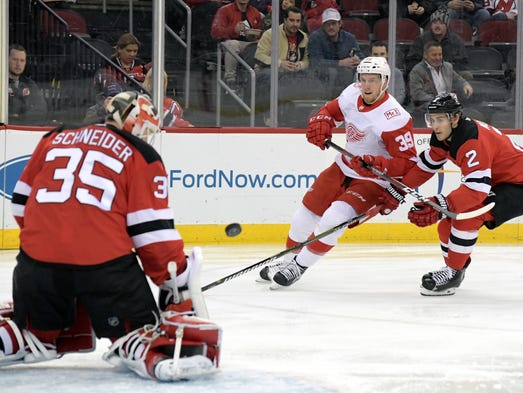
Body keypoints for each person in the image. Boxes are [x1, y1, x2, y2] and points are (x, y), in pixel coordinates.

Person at [0, 92, 221, 380]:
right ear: (140, 127)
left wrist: (54, 240)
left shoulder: (54, 137)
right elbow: (153, 236)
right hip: (104, 270)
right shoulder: (142, 155)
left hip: (35, 269)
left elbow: (21, 205)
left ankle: (28, 333)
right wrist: (177, 280)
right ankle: (152, 352)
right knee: (138, 332)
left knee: (31, 334)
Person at [257, 57, 417, 288]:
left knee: (333, 219)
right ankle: (288, 260)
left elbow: (407, 163)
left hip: (371, 181)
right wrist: (322, 122)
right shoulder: (352, 93)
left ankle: (299, 266)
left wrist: (377, 162)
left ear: (385, 82)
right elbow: (330, 111)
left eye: (373, 80)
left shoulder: (396, 118)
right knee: (304, 215)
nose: (367, 85)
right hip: (342, 167)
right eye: (363, 79)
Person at [376, 93, 523, 295]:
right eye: (432, 120)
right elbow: (426, 165)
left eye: (441, 120)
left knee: (468, 217)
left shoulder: (471, 139)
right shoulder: (444, 135)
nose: (435, 126)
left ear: (455, 118)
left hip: (519, 185)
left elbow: (477, 189)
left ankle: (453, 273)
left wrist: (442, 203)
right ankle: (455, 267)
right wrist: (399, 189)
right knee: (447, 223)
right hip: (501, 181)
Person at [409, 41, 473, 125]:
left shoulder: (448, 67)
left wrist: (465, 84)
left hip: (448, 107)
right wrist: (438, 100)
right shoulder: (417, 71)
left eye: (440, 54)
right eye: (434, 55)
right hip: (426, 108)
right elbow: (417, 94)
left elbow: (458, 79)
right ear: (425, 55)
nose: (438, 58)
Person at [308, 8, 365, 97]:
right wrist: (340, 63)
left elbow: (361, 56)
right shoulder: (315, 38)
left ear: (340, 23)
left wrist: (357, 59)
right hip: (321, 77)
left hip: (344, 77)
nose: (331, 27)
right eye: (328, 24)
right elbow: (315, 62)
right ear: (323, 26)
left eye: (333, 23)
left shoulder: (349, 38)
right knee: (333, 72)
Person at [211, 0, 264, 90]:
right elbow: (215, 33)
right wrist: (233, 30)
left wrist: (254, 35)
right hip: (229, 42)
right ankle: (230, 80)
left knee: (261, 45)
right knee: (233, 44)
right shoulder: (224, 10)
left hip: (249, 43)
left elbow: (260, 33)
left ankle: (258, 78)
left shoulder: (255, 12)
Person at [405, 7, 469, 75]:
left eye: (441, 23)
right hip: (426, 74)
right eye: (434, 22)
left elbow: (463, 63)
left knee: (467, 75)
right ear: (431, 25)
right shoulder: (421, 40)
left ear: (446, 25)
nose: (437, 26)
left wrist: (448, 71)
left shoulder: (456, 41)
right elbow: (411, 62)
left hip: (450, 75)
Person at [8, 44, 48, 125]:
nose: (18, 64)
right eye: (15, 59)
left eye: (22, 60)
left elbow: (42, 110)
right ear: (6, 60)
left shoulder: (30, 84)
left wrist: (21, 118)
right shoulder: (2, 83)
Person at [369, 40, 406, 105]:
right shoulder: (361, 73)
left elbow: (400, 96)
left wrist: (387, 107)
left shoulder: (396, 73)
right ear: (370, 55)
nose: (379, 58)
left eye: (382, 54)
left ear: (387, 54)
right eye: (375, 54)